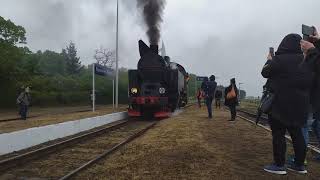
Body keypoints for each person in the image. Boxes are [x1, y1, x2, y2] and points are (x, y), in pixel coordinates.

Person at [262, 34, 313, 175]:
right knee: (297, 135)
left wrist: (268, 61)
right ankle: (299, 165)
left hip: (280, 104)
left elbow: (265, 73)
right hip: (301, 105)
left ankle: (279, 165)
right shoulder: (307, 60)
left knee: (278, 134)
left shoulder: (279, 59)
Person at [300, 26, 320, 161]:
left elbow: (307, 71)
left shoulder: (313, 54)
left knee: (304, 126)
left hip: (312, 97)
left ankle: (300, 160)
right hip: (316, 97)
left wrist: (310, 51)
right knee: (315, 124)